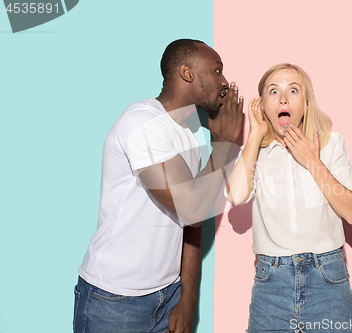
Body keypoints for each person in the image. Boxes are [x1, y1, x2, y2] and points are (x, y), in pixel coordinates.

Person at [74, 39, 243, 333]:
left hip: (168, 295)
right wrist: (224, 143)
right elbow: (191, 208)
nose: (224, 82)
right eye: (217, 71)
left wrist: (187, 301)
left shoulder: (187, 133)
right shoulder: (142, 123)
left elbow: (191, 225)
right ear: (187, 73)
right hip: (114, 300)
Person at [225, 63, 352, 333]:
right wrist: (255, 135)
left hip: (327, 276)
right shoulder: (254, 151)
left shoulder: (331, 143)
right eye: (273, 91)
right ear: (262, 105)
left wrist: (312, 161)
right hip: (271, 281)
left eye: (293, 90)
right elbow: (236, 196)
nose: (282, 99)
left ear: (305, 102)